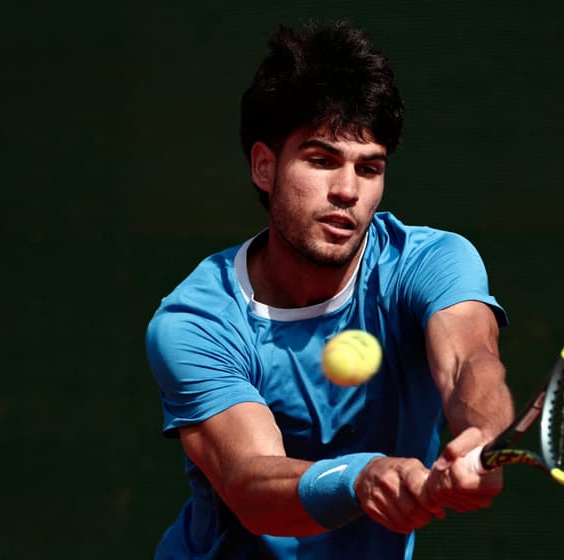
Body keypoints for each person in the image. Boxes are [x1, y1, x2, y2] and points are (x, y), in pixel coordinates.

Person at [145, 20, 515, 560]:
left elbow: (469, 361)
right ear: (265, 166)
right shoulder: (196, 323)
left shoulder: (429, 262)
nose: (347, 190)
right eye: (322, 160)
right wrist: (360, 477)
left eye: (369, 168)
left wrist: (480, 433)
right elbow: (251, 484)